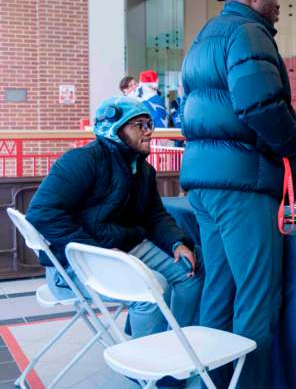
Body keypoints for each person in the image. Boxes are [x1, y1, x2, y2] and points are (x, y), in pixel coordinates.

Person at [180, 0, 296, 387]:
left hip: (207, 184)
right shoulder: (248, 32)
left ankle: (208, 383)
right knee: (256, 301)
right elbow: (260, 106)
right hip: (243, 186)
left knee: (220, 292)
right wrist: (294, 141)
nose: (278, 6)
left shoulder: (205, 37)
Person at [26, 96, 201, 344]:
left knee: (190, 272)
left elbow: (155, 215)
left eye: (149, 124)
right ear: (115, 130)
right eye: (139, 125)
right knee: (152, 291)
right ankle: (148, 370)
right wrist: (99, 253)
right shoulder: (81, 160)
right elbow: (42, 213)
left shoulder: (143, 170)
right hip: (73, 264)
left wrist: (177, 243)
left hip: (125, 249)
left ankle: (176, 347)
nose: (149, 132)